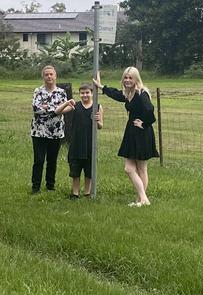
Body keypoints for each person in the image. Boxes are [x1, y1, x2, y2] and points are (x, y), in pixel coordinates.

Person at [93, 67, 159, 207]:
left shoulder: (141, 93)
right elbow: (117, 94)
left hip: (141, 133)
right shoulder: (129, 93)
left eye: (130, 78)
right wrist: (101, 87)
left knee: (137, 168)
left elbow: (150, 110)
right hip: (132, 132)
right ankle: (141, 200)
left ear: (136, 79)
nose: (127, 80)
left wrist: (145, 123)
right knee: (135, 168)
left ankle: (143, 199)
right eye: (125, 78)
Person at [55, 83, 104, 199]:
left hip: (90, 143)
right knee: (75, 169)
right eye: (82, 93)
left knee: (89, 170)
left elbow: (101, 126)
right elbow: (58, 111)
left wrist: (97, 121)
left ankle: (87, 193)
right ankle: (75, 193)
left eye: (87, 92)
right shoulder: (75, 106)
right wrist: (67, 102)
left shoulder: (97, 107)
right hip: (76, 142)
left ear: (92, 93)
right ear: (79, 94)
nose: (85, 95)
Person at [30, 65, 67, 194]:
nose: (49, 77)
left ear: (55, 76)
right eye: (46, 75)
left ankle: (50, 186)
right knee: (39, 160)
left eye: (51, 74)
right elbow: (36, 109)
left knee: (52, 160)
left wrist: (47, 108)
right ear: (43, 77)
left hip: (56, 132)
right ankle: (36, 187)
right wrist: (55, 110)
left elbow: (66, 108)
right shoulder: (38, 91)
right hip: (39, 131)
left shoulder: (61, 92)